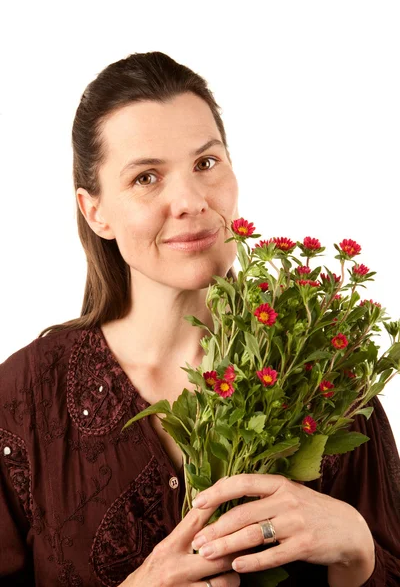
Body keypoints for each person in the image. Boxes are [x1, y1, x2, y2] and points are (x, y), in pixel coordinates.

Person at [0, 51, 399, 587]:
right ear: (95, 211)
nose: (190, 200)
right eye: (146, 178)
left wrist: (357, 550)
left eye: (206, 163)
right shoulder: (22, 399)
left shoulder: (325, 368)